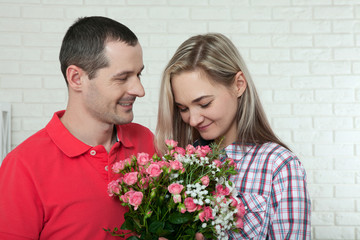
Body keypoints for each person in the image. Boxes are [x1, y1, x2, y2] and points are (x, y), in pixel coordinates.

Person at [0, 16, 156, 240]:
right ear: (76, 78)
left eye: (138, 74)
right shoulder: (23, 166)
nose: (139, 90)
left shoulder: (146, 141)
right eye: (122, 78)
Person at [155, 33, 311, 239]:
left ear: (238, 84)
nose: (192, 120)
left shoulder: (279, 165)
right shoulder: (179, 165)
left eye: (204, 104)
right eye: (183, 108)